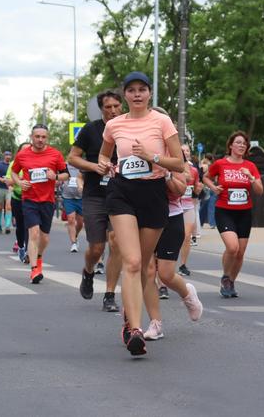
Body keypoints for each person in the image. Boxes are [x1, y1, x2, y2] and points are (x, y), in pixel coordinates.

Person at [98, 71, 185, 356]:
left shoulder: (162, 121)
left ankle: (130, 312)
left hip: (154, 194)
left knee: (144, 263)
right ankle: (134, 330)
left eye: (142, 89)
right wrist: (105, 165)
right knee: (132, 262)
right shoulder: (114, 124)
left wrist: (152, 157)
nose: (137, 94)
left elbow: (180, 164)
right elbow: (104, 153)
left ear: (149, 93)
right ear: (125, 95)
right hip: (122, 192)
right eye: (132, 90)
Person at [68, 88, 124, 313]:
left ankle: (110, 294)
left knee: (117, 242)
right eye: (107, 107)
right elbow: (72, 157)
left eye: (116, 106)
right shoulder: (90, 130)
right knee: (97, 246)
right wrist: (95, 167)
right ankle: (88, 272)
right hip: (95, 194)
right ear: (101, 109)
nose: (112, 111)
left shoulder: (129, 129)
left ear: (122, 106)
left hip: (122, 194)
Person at [142, 155, 203, 340]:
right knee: (149, 271)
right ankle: (156, 324)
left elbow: (181, 189)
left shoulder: (173, 154)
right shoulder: (133, 148)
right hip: (146, 217)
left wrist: (165, 173)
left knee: (166, 275)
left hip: (171, 217)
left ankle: (187, 294)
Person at [203, 130, 263, 298]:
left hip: (244, 212)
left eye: (244, 143)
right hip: (224, 210)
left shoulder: (250, 166)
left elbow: (259, 190)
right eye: (238, 142)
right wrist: (213, 188)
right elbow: (206, 177)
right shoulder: (220, 164)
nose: (241, 145)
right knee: (232, 247)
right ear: (230, 145)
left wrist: (251, 178)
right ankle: (225, 276)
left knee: (240, 252)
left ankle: (230, 281)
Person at [11, 124, 69, 284]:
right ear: (31, 137)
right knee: (34, 233)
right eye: (37, 136)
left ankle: (38, 256)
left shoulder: (55, 154)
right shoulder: (23, 155)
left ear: (47, 138)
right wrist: (19, 182)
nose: (40, 140)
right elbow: (14, 172)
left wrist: (55, 177)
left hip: (48, 200)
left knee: (44, 237)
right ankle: (34, 270)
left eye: (43, 137)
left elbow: (66, 174)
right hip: (29, 199)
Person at [177, 144, 203, 277]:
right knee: (174, 236)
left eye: (187, 150)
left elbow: (195, 190)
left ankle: (182, 264)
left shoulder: (194, 170)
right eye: (182, 150)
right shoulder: (174, 168)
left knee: (187, 236)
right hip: (174, 205)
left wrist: (198, 189)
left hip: (188, 206)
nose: (185, 152)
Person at [7, 144, 31, 264]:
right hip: (17, 198)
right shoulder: (14, 164)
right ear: (19, 152)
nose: (27, 151)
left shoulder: (35, 162)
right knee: (20, 226)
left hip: (31, 199)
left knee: (29, 225)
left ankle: (28, 251)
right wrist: (18, 180)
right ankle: (21, 246)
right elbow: (8, 182)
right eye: (24, 149)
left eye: (29, 148)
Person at [62, 164, 84, 252]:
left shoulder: (83, 165)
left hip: (81, 197)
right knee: (71, 219)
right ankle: (73, 243)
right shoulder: (65, 166)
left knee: (80, 222)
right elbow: (60, 177)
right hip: (68, 197)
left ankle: (75, 235)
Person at [0, 151, 13, 234]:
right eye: (6, 155)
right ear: (4, 156)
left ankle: (8, 226)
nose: (8, 156)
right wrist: (0, 179)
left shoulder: (13, 165)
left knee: (8, 206)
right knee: (0, 207)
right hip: (0, 188)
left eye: (9, 155)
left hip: (9, 188)